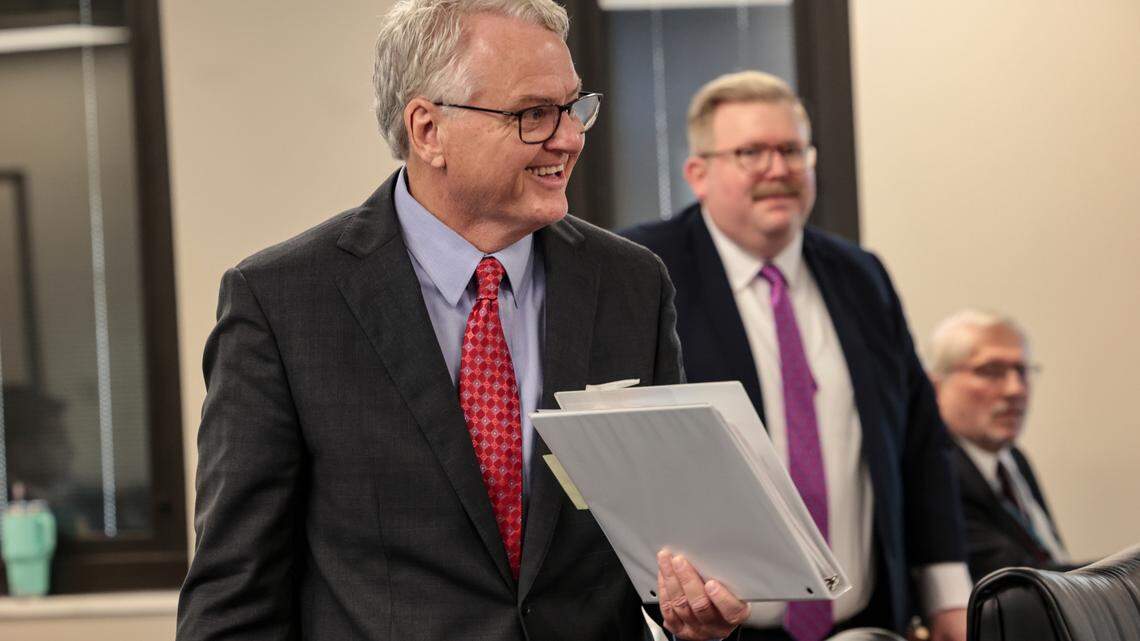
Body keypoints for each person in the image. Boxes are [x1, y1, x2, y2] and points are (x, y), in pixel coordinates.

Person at [175, 1, 748, 640]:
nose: (569, 137)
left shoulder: (631, 285)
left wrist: (696, 616)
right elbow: (235, 596)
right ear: (427, 129)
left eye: (573, 108)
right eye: (534, 115)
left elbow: (665, 542)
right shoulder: (282, 302)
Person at [621, 71, 970, 641]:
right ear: (698, 174)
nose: (777, 169)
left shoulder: (862, 277)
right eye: (750, 152)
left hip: (867, 623)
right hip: (714, 630)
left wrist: (950, 603)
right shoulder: (644, 272)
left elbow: (920, 444)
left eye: (790, 150)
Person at [928, 310, 1071, 581]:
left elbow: (1046, 558)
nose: (1015, 389)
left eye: (1021, 371)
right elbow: (1015, 579)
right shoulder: (937, 473)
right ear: (936, 387)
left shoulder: (1012, 460)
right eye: (991, 371)